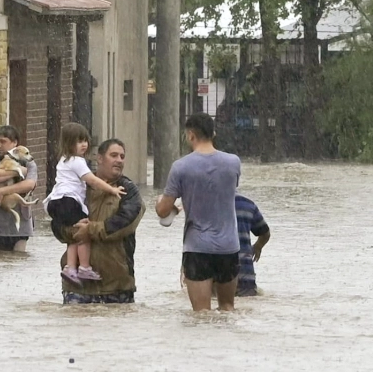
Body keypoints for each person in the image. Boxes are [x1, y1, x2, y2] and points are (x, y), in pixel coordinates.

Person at [157, 113, 242, 312]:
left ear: (190, 135)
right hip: (228, 247)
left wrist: (159, 202)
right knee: (228, 308)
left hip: (197, 248)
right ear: (213, 133)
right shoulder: (233, 162)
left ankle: (201, 345)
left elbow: (163, 211)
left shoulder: (180, 167)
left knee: (201, 313)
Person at [60, 138, 145, 304]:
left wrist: (89, 230)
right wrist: (75, 232)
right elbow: (57, 224)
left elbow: (124, 223)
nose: (119, 160)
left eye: (122, 156)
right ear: (99, 158)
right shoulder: (76, 187)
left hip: (117, 285)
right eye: (114, 155)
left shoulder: (128, 190)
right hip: (76, 287)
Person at [45, 123, 126, 284]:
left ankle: (70, 268)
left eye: (85, 141)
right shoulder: (77, 161)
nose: (84, 145)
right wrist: (111, 189)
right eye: (79, 141)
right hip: (68, 201)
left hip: (55, 202)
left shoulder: (63, 161)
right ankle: (84, 267)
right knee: (84, 232)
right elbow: (92, 180)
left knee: (74, 236)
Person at [0, 126, 38, 252]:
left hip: (20, 227)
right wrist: (17, 172)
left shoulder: (28, 162)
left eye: (3, 141)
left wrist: (2, 191)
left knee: (19, 264)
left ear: (15, 143)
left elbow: (29, 184)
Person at [235, 194, 270, 296]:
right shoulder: (247, 204)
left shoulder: (207, 203)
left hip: (214, 273)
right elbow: (265, 232)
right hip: (245, 271)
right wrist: (257, 247)